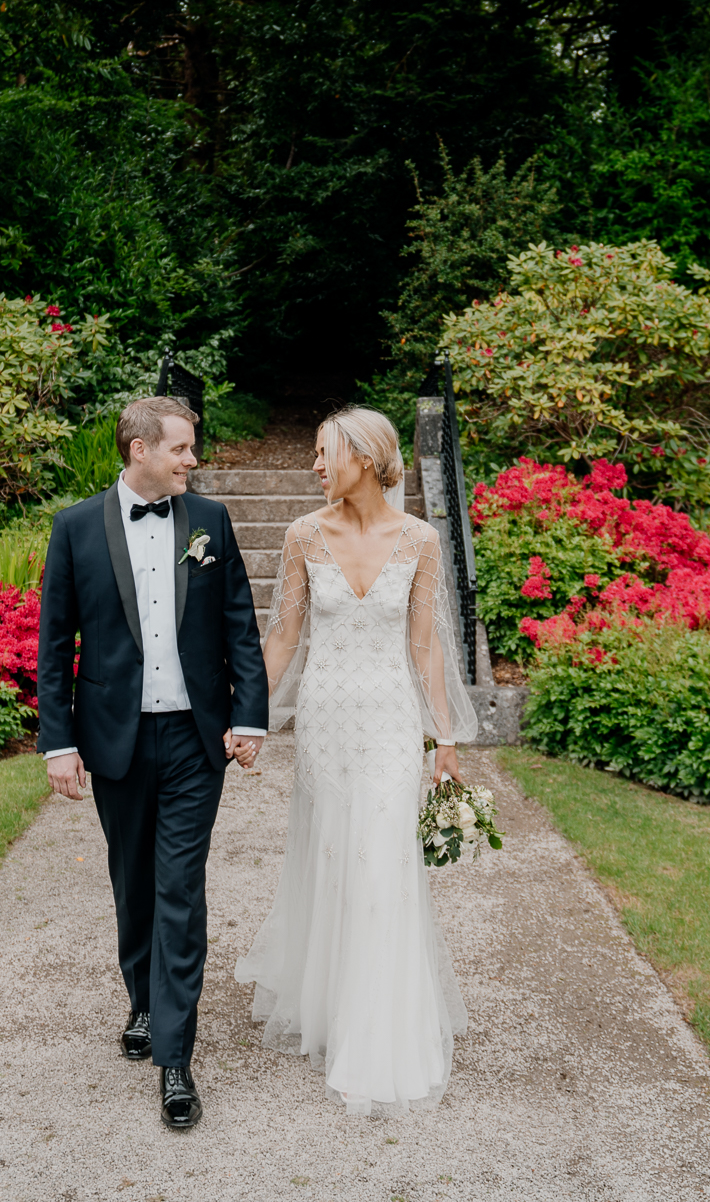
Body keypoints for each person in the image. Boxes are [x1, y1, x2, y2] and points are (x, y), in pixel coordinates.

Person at [234, 405, 478, 1116]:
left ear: (366, 458)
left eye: (323, 453)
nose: (313, 466)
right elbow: (281, 636)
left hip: (390, 724)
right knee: (338, 858)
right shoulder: (302, 535)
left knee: (383, 862)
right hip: (326, 723)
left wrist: (445, 738)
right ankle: (338, 1006)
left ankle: (381, 1037)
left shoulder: (422, 540)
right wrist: (248, 717)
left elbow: (427, 646)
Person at [36, 395, 270, 1131]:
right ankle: (142, 998)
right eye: (182, 448)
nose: (192, 460)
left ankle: (175, 1055)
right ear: (140, 450)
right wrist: (59, 741)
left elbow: (240, 622)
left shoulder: (210, 523)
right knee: (133, 884)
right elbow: (53, 645)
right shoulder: (75, 528)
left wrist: (249, 717)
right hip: (117, 741)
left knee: (180, 890)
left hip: (197, 743)